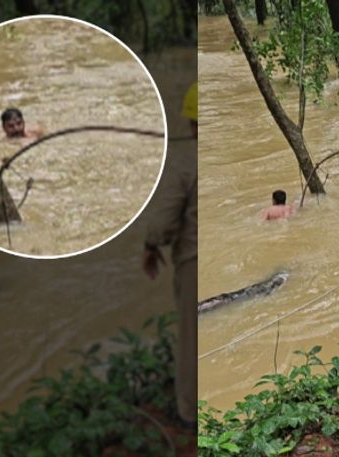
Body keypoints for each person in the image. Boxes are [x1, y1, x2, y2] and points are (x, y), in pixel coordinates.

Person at [143, 82, 197, 430]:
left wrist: (151, 246)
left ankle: (190, 415)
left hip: (192, 261)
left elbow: (162, 221)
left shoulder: (184, 164)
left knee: (191, 339)